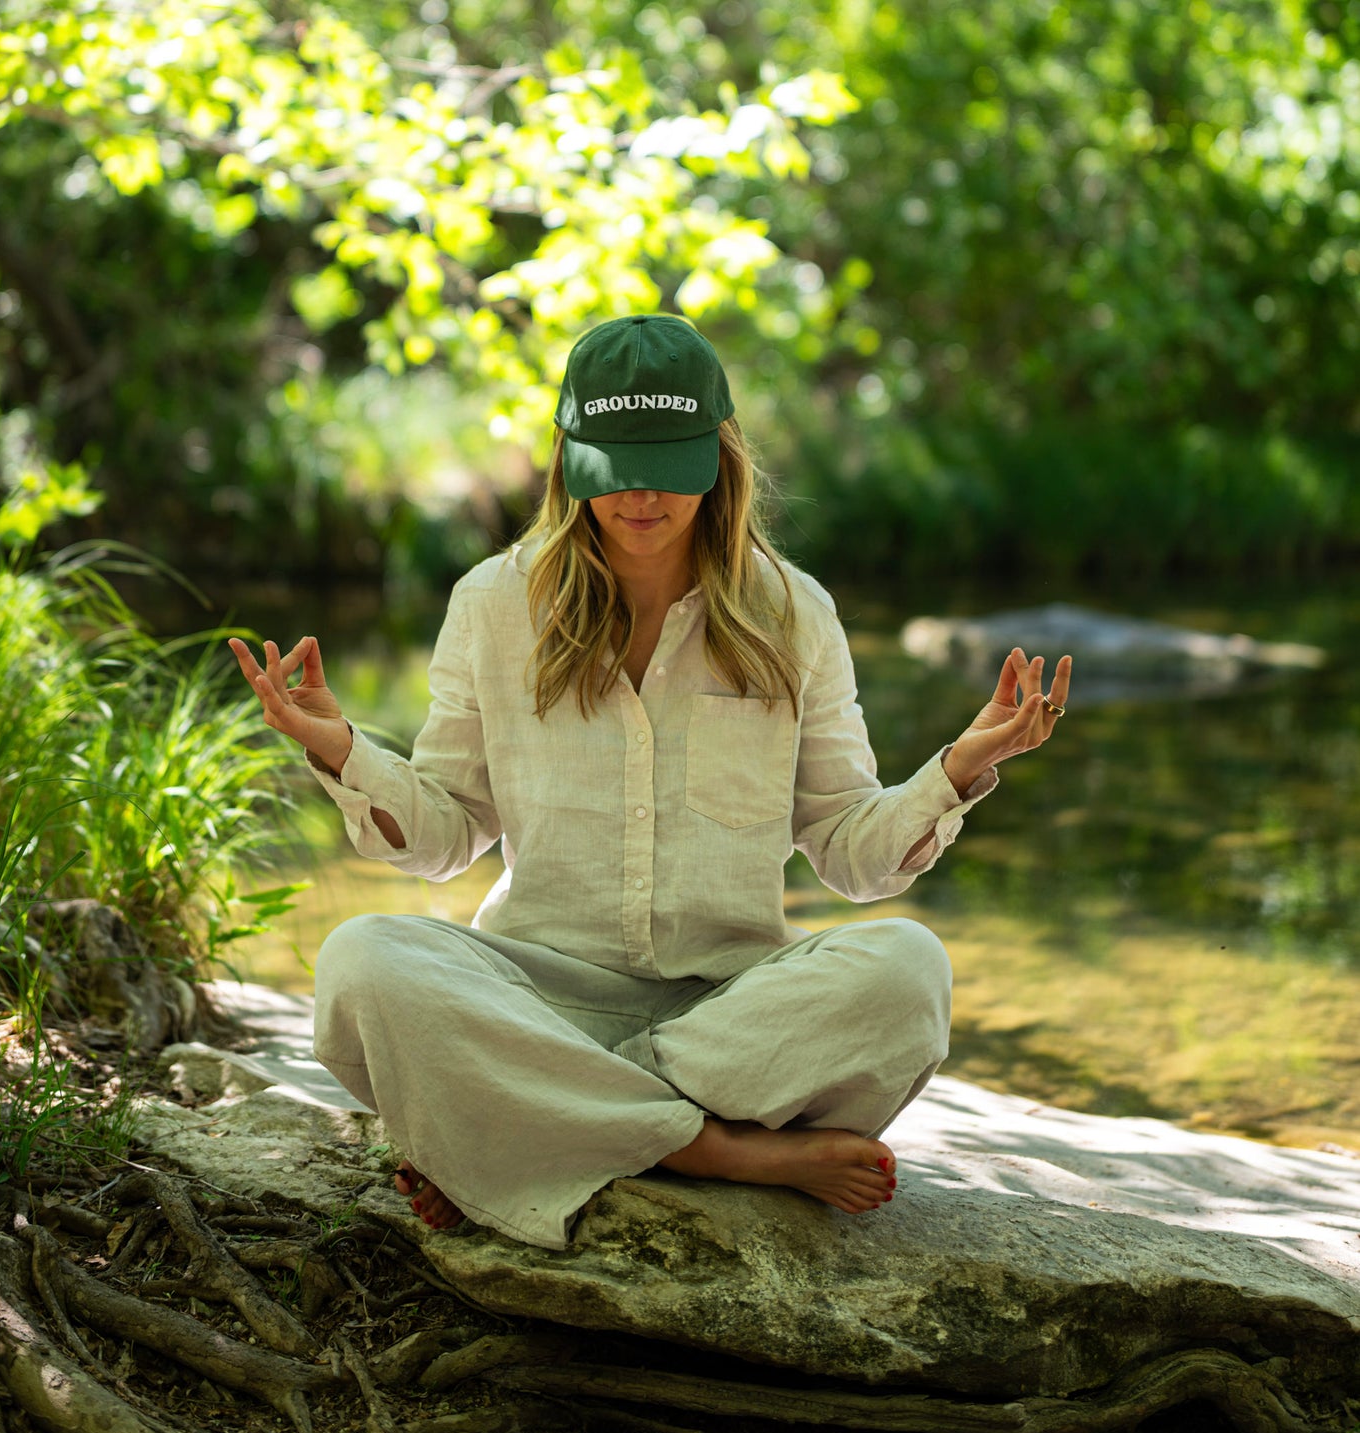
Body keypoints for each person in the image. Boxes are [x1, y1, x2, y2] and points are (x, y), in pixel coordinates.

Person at [229, 314, 1071, 1251]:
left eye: (667, 460)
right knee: (361, 960)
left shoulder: (795, 613)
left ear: (719, 453)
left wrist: (962, 766)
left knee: (908, 970)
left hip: (727, 1011)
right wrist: (342, 748)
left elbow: (851, 855)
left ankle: (522, 1128)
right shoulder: (492, 603)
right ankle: (712, 1149)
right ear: (569, 455)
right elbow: (445, 834)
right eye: (613, 461)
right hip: (533, 993)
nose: (639, 492)